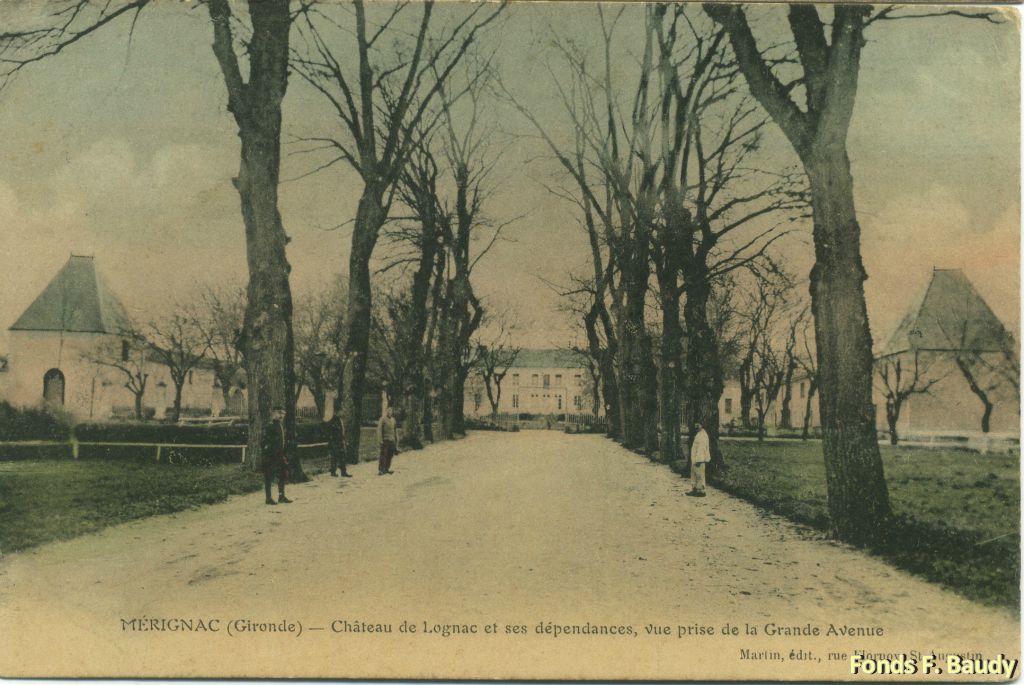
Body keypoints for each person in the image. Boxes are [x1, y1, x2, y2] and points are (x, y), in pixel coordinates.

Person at [261, 405, 292, 505]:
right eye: (279, 413)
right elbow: (264, 442)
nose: (281, 416)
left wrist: (283, 453)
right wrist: (269, 453)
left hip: (280, 455)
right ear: (273, 414)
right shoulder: (270, 426)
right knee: (269, 476)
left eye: (282, 413)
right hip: (271, 456)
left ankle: (281, 495)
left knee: (282, 475)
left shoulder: (280, 426)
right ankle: (268, 498)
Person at [324, 400, 352, 478]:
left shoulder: (340, 420)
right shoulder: (333, 421)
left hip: (339, 441)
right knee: (336, 457)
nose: (342, 412)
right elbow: (331, 432)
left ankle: (342, 472)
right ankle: (335, 472)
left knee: (340, 457)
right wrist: (333, 441)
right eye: (341, 411)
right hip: (335, 442)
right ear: (337, 412)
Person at [686, 421, 710, 498]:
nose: (696, 426)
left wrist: (699, 459)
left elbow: (702, 449)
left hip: (699, 458)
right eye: (695, 425)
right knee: (694, 473)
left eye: (698, 425)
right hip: (695, 458)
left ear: (702, 425)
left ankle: (701, 490)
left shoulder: (703, 435)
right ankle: (695, 489)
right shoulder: (698, 434)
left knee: (700, 474)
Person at [377, 406, 399, 475]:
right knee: (383, 455)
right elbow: (379, 430)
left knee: (390, 455)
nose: (390, 412)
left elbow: (395, 430)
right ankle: (381, 469)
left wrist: (396, 439)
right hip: (385, 440)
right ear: (386, 411)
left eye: (391, 411)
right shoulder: (382, 419)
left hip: (392, 440)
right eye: (388, 410)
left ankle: (387, 468)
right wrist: (380, 440)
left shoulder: (393, 420)